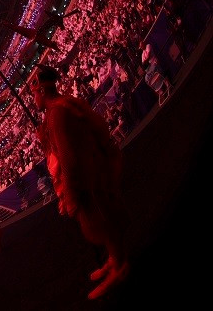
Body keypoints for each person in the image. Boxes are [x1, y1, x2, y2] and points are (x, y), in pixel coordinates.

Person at [31, 64, 129, 299]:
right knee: (103, 220)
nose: (33, 98)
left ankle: (120, 266)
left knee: (100, 222)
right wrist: (44, 140)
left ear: (42, 91)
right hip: (93, 170)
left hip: (87, 181)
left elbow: (67, 157)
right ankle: (114, 258)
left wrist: (71, 194)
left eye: (34, 93)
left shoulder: (56, 115)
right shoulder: (62, 105)